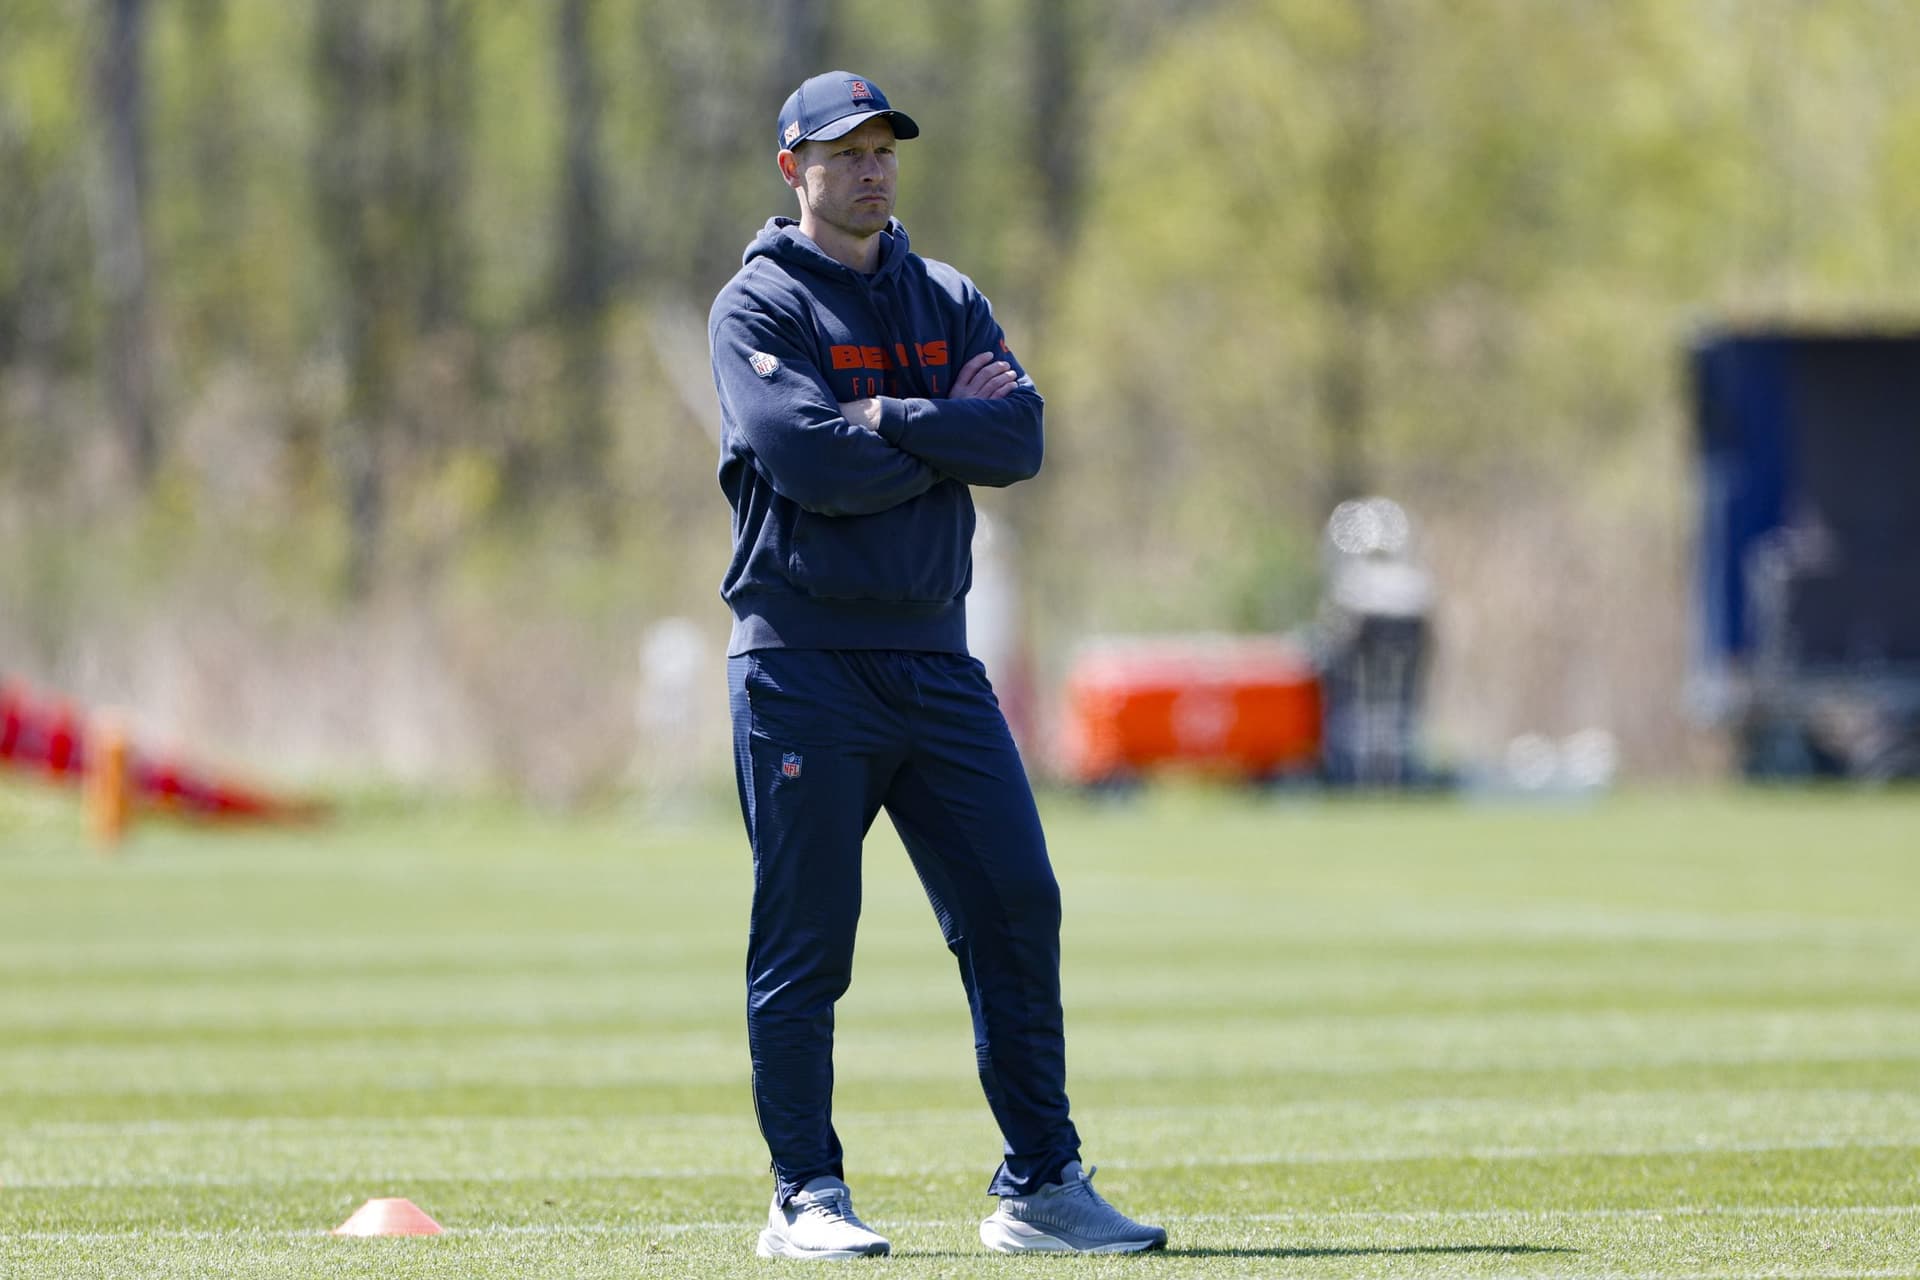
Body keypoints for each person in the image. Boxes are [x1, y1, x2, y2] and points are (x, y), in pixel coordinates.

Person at [707, 71, 1168, 1260]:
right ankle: (804, 1193)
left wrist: (887, 418)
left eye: (883, 150)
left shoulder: (947, 296)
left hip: (936, 658)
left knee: (1018, 901)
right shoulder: (757, 305)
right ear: (794, 170)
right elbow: (809, 462)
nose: (870, 170)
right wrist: (935, 427)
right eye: (844, 153)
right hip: (803, 663)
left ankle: (1042, 1184)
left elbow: (1019, 437)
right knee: (809, 938)